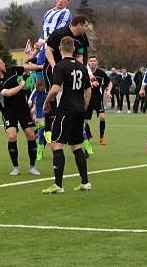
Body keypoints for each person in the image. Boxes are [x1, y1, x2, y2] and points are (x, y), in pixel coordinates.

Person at [41, 36, 92, 194]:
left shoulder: (60, 66)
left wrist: (46, 102)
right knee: (76, 145)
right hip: (78, 110)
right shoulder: (83, 67)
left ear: (60, 49)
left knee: (56, 143)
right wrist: (83, 108)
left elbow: (56, 88)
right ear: (74, 49)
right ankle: (85, 182)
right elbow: (88, 91)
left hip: (65, 110)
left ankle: (58, 185)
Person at [0, 56, 43, 176]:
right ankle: (15, 168)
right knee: (12, 136)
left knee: (31, 135)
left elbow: (26, 68)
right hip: (8, 112)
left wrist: (42, 67)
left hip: (23, 109)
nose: (4, 65)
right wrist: (22, 85)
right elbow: (8, 93)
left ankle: (32, 167)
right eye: (1, 64)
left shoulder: (11, 69)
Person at [31, 0, 71, 71]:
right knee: (39, 82)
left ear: (68, 1)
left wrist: (42, 42)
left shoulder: (66, 13)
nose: (61, 1)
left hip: (54, 49)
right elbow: (43, 33)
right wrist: (33, 54)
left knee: (51, 75)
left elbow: (58, 33)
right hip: (42, 48)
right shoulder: (47, 13)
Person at [86, 55, 112, 145]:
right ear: (88, 63)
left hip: (98, 99)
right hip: (87, 98)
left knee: (102, 117)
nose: (92, 62)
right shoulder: (85, 72)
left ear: (96, 62)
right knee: (84, 120)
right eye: (91, 61)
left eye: (94, 61)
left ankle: (102, 137)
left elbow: (110, 82)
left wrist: (108, 91)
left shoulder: (101, 73)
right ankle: (88, 134)